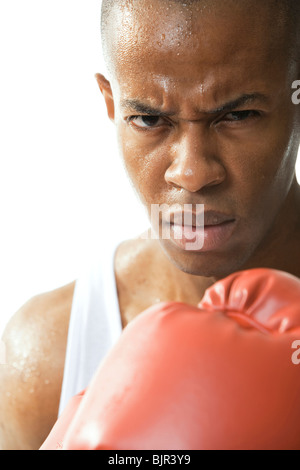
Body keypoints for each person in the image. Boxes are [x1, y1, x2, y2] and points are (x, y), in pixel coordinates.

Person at [0, 0, 300, 450]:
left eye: (237, 115)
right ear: (110, 103)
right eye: (149, 119)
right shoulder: (47, 356)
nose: (192, 173)